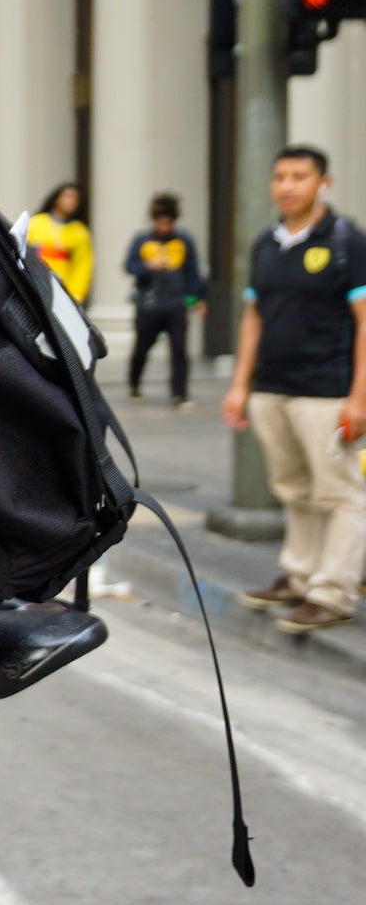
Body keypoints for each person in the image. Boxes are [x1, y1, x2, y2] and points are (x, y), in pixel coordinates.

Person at [225, 145, 366, 635]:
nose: (287, 185)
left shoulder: (347, 240)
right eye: (280, 176)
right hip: (272, 389)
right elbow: (253, 317)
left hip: (325, 391)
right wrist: (240, 385)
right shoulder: (267, 241)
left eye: (299, 176)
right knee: (294, 490)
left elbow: (365, 320)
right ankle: (301, 577)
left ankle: (334, 592)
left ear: (323, 183)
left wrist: (359, 397)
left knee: (341, 493)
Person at [123, 192, 207, 410]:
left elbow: (192, 271)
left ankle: (179, 393)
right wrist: (148, 267)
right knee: (142, 346)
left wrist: (198, 298)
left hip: (175, 304)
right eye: (161, 222)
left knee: (179, 348)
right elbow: (129, 266)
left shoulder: (184, 241)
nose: (164, 227)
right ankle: (134, 383)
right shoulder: (142, 241)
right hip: (148, 304)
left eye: (168, 223)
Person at [27, 182, 93, 304]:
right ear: (56, 199)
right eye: (67, 196)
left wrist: (76, 294)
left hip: (63, 289)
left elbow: (83, 266)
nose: (71, 202)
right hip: (35, 284)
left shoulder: (80, 232)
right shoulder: (35, 223)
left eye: (75, 199)